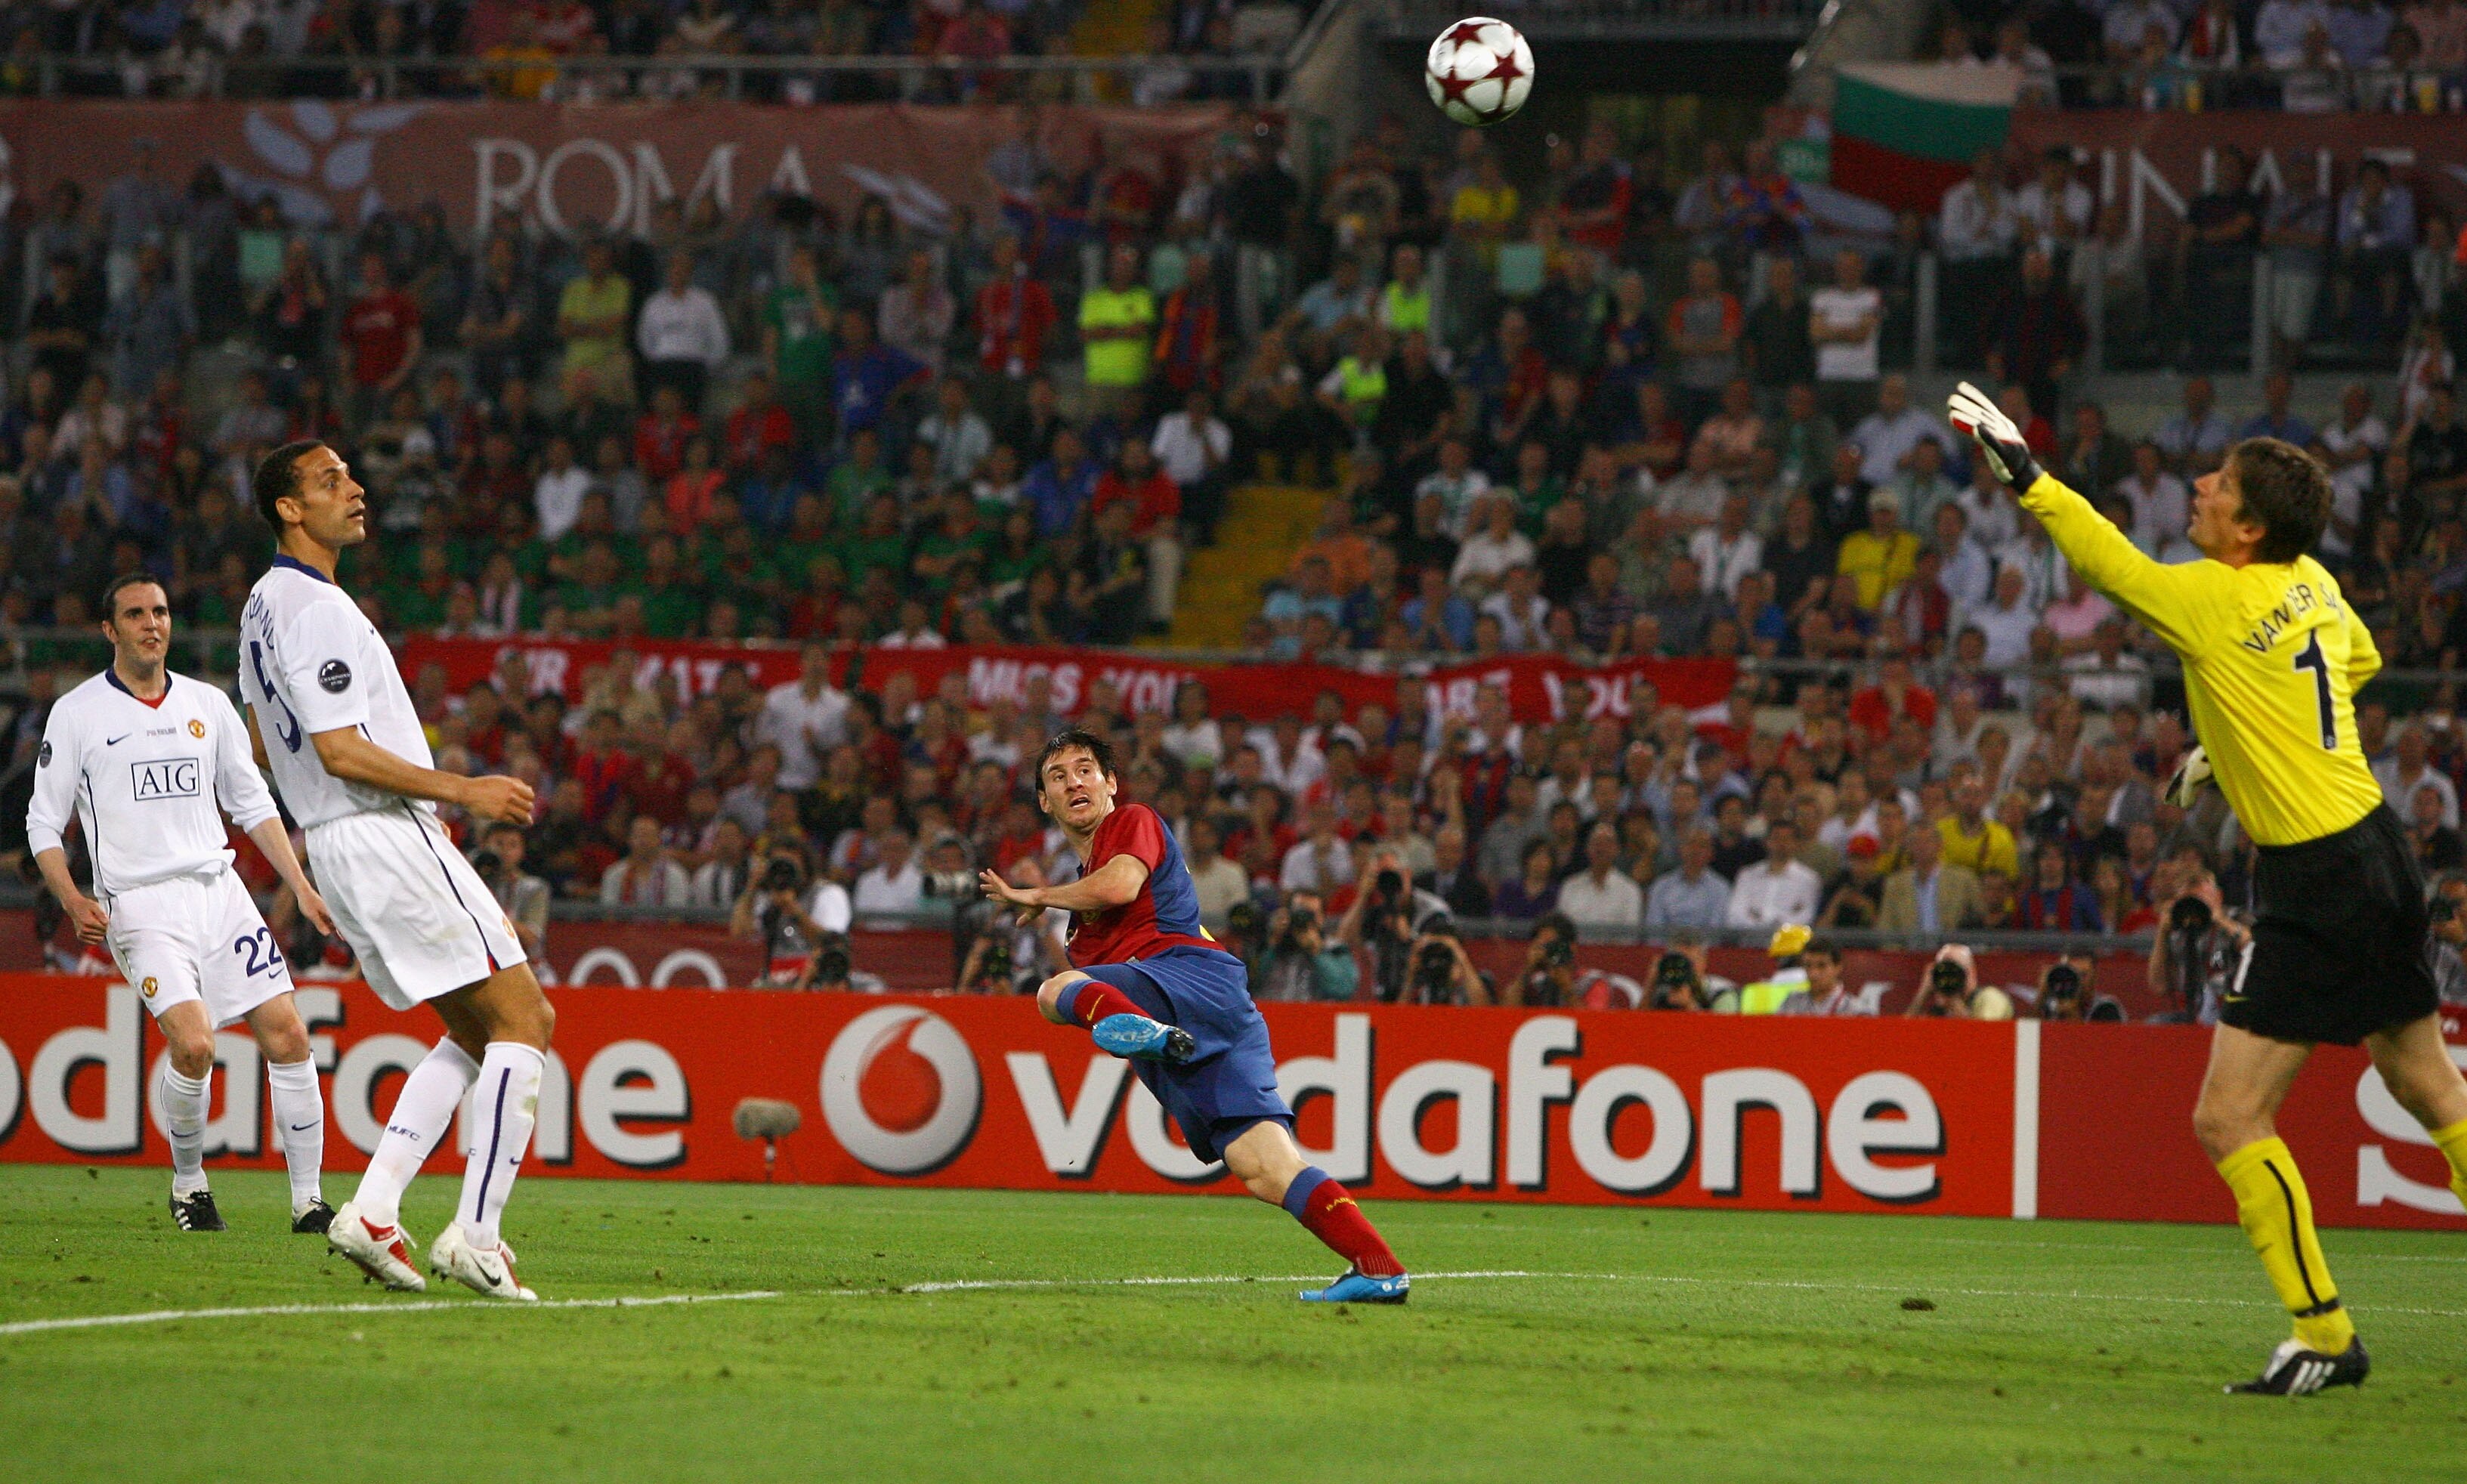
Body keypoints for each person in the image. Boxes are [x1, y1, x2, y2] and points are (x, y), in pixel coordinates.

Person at [1951, 382, 2467, 1394]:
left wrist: (2021, 468)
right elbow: (2350, 663)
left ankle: (2322, 1334)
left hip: (2314, 878)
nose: (2198, 487)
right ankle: (2321, 1334)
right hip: (2380, 850)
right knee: (2427, 1085)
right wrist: (2224, 741)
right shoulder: (2310, 583)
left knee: (2227, 1120)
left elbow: (2104, 558)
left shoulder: (2210, 596)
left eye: (2218, 486)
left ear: (2246, 528)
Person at [240, 441, 556, 1301]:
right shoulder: (315, 608)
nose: (357, 488)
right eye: (330, 480)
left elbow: (264, 733)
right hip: (378, 831)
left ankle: (374, 1208)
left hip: (339, 842)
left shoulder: (260, 608)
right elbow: (341, 747)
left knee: (473, 1028)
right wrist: (463, 790)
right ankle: (477, 1235)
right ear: (289, 510)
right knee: (527, 1017)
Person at [979, 730, 1409, 1303]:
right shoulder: (1080, 928)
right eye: (1057, 777)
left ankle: (1145, 1034)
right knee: (1262, 1166)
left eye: (1086, 769)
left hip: (1186, 977)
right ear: (1044, 802)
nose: (1074, 782)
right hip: (1208, 1010)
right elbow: (1100, 897)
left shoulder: (1130, 821)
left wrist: (1035, 895)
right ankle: (1380, 1268)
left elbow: (1121, 884)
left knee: (1054, 991)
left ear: (1111, 783)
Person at [26, 574, 338, 1235]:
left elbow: (252, 804)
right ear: (109, 630)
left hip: (219, 894)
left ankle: (309, 1202)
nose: (152, 624)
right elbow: (42, 825)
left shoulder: (208, 704)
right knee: (195, 1045)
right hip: (139, 905)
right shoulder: (79, 714)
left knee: (290, 1035)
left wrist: (303, 889)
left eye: (161, 612)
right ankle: (190, 1185)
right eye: (135, 614)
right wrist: (72, 897)